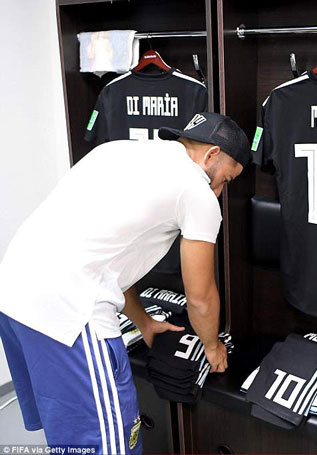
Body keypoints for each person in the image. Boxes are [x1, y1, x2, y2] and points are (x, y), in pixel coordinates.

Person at [0, 112, 250, 454]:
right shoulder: (196, 191)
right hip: (70, 315)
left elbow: (106, 254)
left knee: (70, 439)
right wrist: (212, 346)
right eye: (226, 179)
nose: (219, 191)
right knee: (109, 444)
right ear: (211, 154)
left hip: (13, 297)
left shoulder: (117, 151)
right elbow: (200, 296)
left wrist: (143, 321)